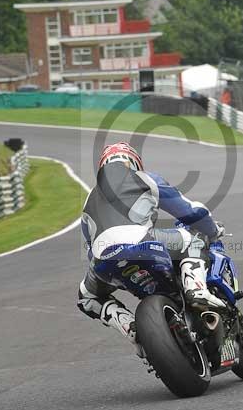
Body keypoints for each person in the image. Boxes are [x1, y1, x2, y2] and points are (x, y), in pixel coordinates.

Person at [77, 142, 225, 355]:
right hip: (143, 244)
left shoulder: (88, 202)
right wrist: (211, 231)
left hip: (103, 260)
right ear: (134, 163)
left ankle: (129, 326)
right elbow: (190, 212)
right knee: (194, 239)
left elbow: (91, 250)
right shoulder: (145, 179)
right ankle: (196, 290)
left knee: (86, 296)